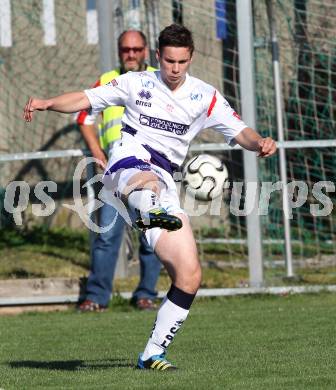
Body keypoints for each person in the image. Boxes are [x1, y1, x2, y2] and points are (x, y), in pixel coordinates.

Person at [23, 24, 277, 371]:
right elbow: (85, 98)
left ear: (191, 58)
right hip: (127, 163)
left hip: (166, 180)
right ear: (159, 56)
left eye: (182, 62)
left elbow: (240, 130)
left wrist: (260, 142)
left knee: (189, 275)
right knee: (147, 182)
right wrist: (47, 103)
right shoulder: (136, 82)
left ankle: (151, 353)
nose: (175, 69)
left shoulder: (206, 96)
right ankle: (151, 211)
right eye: (169, 60)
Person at [76, 30, 161, 312]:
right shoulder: (107, 80)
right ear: (119, 50)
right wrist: (97, 152)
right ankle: (97, 297)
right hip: (114, 174)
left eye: (137, 49)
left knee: (152, 234)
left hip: (150, 173)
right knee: (107, 234)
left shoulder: (160, 80)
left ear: (146, 51)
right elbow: (84, 117)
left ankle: (146, 294)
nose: (132, 54)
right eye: (126, 49)